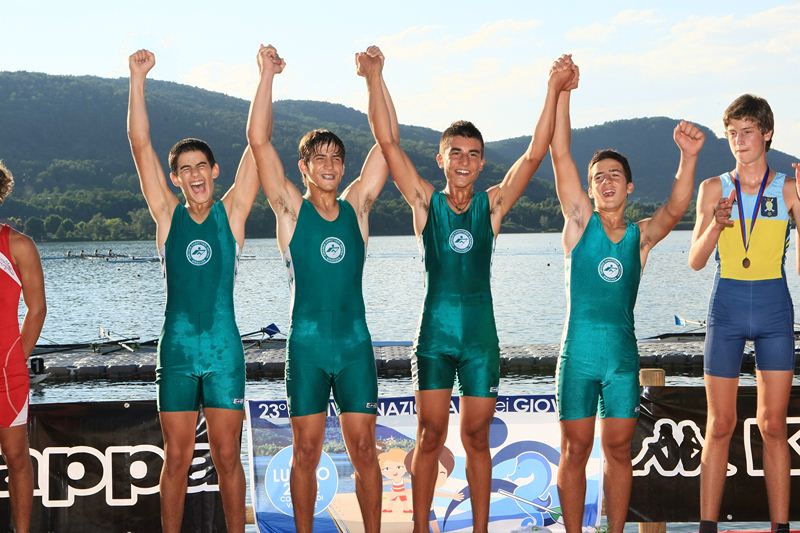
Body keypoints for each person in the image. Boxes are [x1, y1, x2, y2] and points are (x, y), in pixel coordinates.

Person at [359, 48, 574, 532]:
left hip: (480, 338)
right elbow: (387, 141)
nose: (464, 160)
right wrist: (375, 78)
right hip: (434, 337)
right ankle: (421, 527)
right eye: (455, 152)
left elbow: (534, 154)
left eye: (473, 154)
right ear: (441, 159)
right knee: (430, 435)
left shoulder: (491, 207)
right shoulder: (424, 202)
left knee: (477, 438)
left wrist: (552, 89)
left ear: (481, 165)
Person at [246, 44, 396, 533]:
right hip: (307, 348)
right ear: (304, 167)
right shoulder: (291, 210)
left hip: (354, 347)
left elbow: (388, 143)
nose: (329, 165)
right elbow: (258, 141)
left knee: (365, 451)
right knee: (306, 452)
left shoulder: (358, 208)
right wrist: (266, 76)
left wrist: (374, 78)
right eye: (319, 158)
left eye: (336, 158)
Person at [549, 62, 705, 533]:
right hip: (577, 357)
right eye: (598, 176)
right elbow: (560, 152)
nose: (606, 181)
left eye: (615, 175)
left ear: (629, 186)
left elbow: (676, 207)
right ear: (590, 188)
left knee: (618, 451)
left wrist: (688, 158)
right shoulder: (579, 222)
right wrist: (562, 92)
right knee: (574, 451)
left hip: (620, 359)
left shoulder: (640, 238)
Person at [127, 49, 261, 533]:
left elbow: (258, 143)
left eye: (202, 165)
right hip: (179, 352)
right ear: (175, 178)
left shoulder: (233, 215)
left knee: (227, 458)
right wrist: (137, 78)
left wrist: (265, 76)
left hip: (224, 352)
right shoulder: (167, 216)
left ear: (215, 170)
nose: (195, 174)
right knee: (177, 459)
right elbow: (140, 143)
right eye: (185, 169)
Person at [689, 94, 797, 533]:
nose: (739, 140)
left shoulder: (787, 188)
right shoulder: (712, 188)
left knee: (774, 425)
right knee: (720, 424)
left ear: (767, 133)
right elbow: (696, 260)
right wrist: (716, 224)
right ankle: (707, 527)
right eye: (732, 133)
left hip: (774, 309)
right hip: (727, 308)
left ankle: (781, 527)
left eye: (747, 131)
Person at [0, 161, 46, 533]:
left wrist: (17, 356)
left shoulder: (18, 245)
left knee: (16, 457)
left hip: (6, 374)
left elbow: (37, 308)